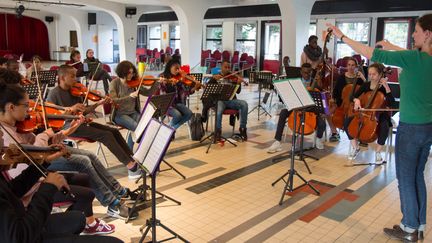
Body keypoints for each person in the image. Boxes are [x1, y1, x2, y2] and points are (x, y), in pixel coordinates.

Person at [328, 13, 432, 242]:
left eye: (416, 31)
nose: (413, 34)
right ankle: (419, 224)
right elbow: (407, 54)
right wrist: (391, 45)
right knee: (417, 176)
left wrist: (342, 35)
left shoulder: (415, 60)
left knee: (405, 178)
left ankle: (408, 228)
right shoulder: (422, 58)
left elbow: (370, 53)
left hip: (411, 127)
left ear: (428, 34)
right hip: (428, 128)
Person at [0, 81, 138, 220]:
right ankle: (112, 203)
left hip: (43, 163)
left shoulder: (17, 127)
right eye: (25, 106)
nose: (29, 110)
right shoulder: (4, 136)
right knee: (83, 161)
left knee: (90, 155)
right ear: (11, 107)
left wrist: (66, 131)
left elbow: (41, 145)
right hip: (34, 182)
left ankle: (119, 192)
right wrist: (44, 136)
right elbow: (35, 156)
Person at [0, 129, 123, 243]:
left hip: (24, 224)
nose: (1, 135)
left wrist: (45, 162)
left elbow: (13, 190)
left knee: (79, 218)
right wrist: (47, 188)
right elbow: (18, 236)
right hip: (26, 233)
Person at [46, 65, 142, 180]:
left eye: (75, 76)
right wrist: (71, 109)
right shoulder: (54, 94)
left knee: (113, 131)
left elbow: (85, 111)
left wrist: (98, 103)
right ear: (62, 78)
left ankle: (132, 158)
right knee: (105, 135)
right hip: (68, 127)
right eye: (72, 76)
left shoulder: (76, 90)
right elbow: (51, 116)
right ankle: (130, 166)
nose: (75, 79)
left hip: (81, 122)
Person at [267, 63, 326, 153]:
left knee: (322, 121)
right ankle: (277, 141)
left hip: (311, 108)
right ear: (301, 72)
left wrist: (318, 82)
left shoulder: (315, 82)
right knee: (283, 112)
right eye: (305, 72)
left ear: (311, 72)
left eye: (309, 73)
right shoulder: (295, 82)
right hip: (296, 106)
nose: (307, 75)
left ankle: (318, 138)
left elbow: (321, 95)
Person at [343, 63, 395, 164]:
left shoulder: (384, 87)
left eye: (374, 74)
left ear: (380, 74)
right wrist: (356, 100)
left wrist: (386, 86)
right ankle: (355, 147)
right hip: (365, 112)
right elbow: (352, 97)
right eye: (370, 74)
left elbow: (392, 102)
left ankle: (378, 152)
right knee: (346, 122)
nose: (371, 76)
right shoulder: (366, 85)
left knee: (384, 126)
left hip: (380, 114)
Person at [202, 60, 249, 141]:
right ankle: (218, 131)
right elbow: (208, 88)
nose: (227, 69)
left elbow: (237, 91)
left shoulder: (233, 77)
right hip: (219, 100)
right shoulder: (216, 76)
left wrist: (238, 83)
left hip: (231, 100)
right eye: (225, 67)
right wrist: (213, 79)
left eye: (229, 67)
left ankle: (243, 128)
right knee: (219, 110)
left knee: (244, 104)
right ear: (221, 67)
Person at [330, 57, 366, 142]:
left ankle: (357, 136)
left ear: (356, 66)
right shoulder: (341, 77)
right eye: (349, 65)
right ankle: (335, 133)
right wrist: (336, 100)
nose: (350, 67)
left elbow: (366, 89)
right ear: (346, 66)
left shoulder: (359, 78)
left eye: (353, 65)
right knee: (329, 113)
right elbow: (335, 92)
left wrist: (363, 78)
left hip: (355, 106)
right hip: (342, 103)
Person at [109, 60, 141, 150]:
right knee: (136, 127)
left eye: (132, 72)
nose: (131, 75)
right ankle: (133, 150)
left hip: (133, 112)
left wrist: (157, 83)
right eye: (129, 73)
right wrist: (129, 97)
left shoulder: (134, 82)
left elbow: (148, 92)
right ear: (122, 72)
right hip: (119, 114)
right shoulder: (114, 83)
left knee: (143, 126)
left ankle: (129, 150)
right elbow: (114, 100)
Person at [159, 59, 195, 133]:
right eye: (176, 68)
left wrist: (193, 86)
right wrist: (164, 83)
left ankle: (170, 129)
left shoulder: (179, 78)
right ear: (170, 67)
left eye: (179, 68)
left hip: (177, 103)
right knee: (177, 115)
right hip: (167, 104)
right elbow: (161, 93)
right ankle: (169, 130)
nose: (178, 70)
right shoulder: (162, 77)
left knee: (189, 114)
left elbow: (186, 91)